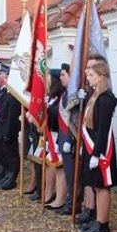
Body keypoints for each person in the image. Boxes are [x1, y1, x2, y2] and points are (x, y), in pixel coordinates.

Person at [80, 61, 117, 232]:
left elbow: (103, 128)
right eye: (88, 75)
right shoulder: (94, 95)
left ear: (102, 77)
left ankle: (103, 224)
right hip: (91, 146)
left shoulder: (105, 99)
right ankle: (97, 220)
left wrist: (96, 153)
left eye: (91, 75)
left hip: (101, 148)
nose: (88, 78)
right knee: (95, 185)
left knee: (102, 186)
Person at [0, 64, 22, 191]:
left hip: (9, 129)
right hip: (1, 127)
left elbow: (11, 115)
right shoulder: (3, 92)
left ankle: (11, 177)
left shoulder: (12, 94)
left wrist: (7, 132)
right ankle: (6, 174)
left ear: (6, 77)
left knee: (11, 154)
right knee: (4, 153)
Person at [57, 63, 80, 215]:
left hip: (70, 141)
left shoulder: (74, 96)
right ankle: (71, 201)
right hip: (62, 139)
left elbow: (75, 121)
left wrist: (70, 140)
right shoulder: (64, 94)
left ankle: (75, 204)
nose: (60, 78)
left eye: (63, 75)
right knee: (68, 174)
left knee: (73, 175)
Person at [45, 70, 68, 208]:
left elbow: (58, 116)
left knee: (59, 167)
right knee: (50, 164)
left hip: (57, 134)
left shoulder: (61, 97)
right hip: (50, 134)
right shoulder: (52, 97)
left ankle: (60, 198)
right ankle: (49, 192)